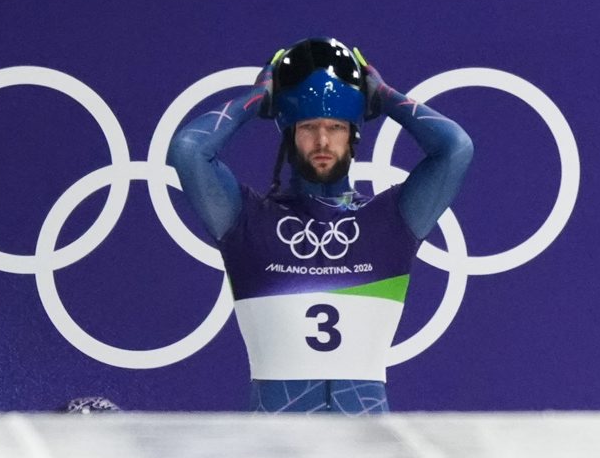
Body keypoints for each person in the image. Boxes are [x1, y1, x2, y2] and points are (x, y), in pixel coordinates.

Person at [167, 37, 473, 414]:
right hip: (272, 442)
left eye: (336, 126)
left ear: (354, 132)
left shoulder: (392, 220)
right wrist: (258, 97)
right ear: (289, 133)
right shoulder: (247, 219)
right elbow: (188, 150)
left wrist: (384, 95)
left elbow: (456, 148)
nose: (323, 140)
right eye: (308, 126)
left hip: (365, 439)